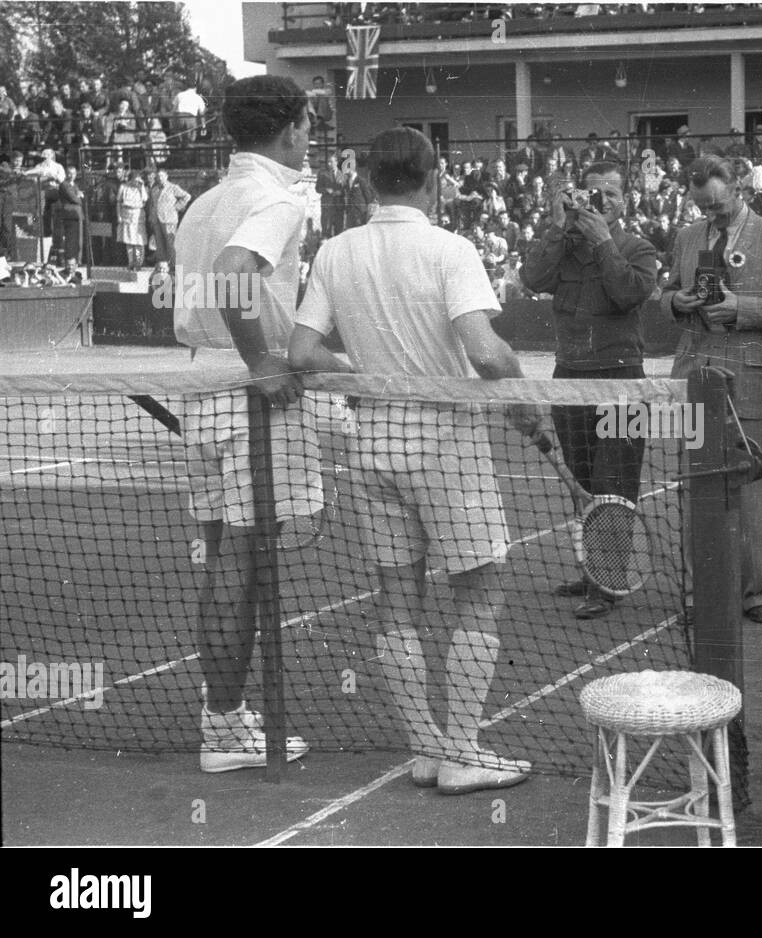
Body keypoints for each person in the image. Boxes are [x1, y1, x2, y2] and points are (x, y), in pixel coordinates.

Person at [288, 127, 547, 793]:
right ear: (433, 178)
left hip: (372, 444)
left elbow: (300, 352)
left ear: (369, 181)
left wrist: (367, 374)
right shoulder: (449, 249)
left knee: (397, 602)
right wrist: (524, 400)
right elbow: (487, 355)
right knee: (481, 595)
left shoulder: (336, 252)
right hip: (446, 445)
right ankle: (461, 751)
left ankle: (429, 750)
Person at [172, 75, 317, 773]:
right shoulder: (276, 198)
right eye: (308, 124)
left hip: (203, 385)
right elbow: (233, 273)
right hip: (243, 391)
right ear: (291, 128)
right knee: (244, 565)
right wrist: (263, 361)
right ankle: (225, 728)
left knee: (222, 558)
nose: (310, 136)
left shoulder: (203, 201)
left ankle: (221, 713)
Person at [662, 154, 762, 623]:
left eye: (718, 205)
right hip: (695, 374)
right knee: (695, 492)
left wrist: (740, 307)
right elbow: (667, 291)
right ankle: (698, 593)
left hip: (749, 378)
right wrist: (678, 301)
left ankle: (756, 593)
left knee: (750, 493)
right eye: (702, 207)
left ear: (740, 190)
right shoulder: (687, 237)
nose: (710, 215)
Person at [521, 160, 658, 618]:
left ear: (626, 201)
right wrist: (559, 228)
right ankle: (592, 571)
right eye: (592, 194)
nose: (601, 203)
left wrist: (601, 243)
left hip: (623, 381)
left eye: (611, 195)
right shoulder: (563, 244)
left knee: (614, 484)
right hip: (570, 379)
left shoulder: (637, 248)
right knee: (581, 480)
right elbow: (532, 278)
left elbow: (627, 294)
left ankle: (609, 583)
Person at [150, 169, 190, 269]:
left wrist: (177, 207)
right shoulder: (154, 189)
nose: (160, 178)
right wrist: (151, 216)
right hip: (157, 219)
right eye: (158, 176)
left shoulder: (173, 188)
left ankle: (174, 264)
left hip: (169, 219)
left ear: (166, 176)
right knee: (159, 242)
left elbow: (187, 196)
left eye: (162, 176)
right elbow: (152, 204)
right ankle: (163, 264)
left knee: (171, 242)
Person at [116, 170, 148, 270]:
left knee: (138, 241)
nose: (136, 182)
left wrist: (141, 186)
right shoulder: (123, 187)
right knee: (129, 240)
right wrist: (119, 216)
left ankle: (138, 262)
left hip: (138, 215)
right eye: (134, 179)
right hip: (127, 215)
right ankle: (131, 262)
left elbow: (145, 199)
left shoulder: (141, 188)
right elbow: (118, 202)